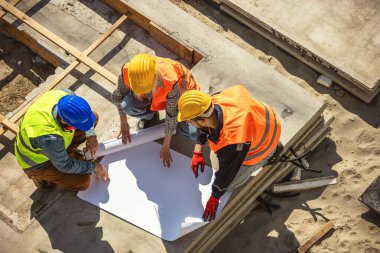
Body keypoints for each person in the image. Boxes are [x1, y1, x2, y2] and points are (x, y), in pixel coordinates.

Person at [177, 85, 282, 221]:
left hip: (265, 139)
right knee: (217, 155)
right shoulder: (214, 100)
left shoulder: (232, 140)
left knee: (230, 184)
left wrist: (215, 197)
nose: (189, 123)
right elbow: (203, 128)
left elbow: (227, 173)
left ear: (202, 121)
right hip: (260, 118)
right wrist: (198, 149)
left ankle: (271, 154)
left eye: (190, 121)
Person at [112, 53, 200, 167]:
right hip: (158, 98)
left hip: (183, 99)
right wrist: (123, 122)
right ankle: (149, 116)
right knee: (127, 106)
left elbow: (171, 115)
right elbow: (117, 96)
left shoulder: (170, 80)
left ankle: (182, 124)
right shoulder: (129, 71)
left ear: (155, 77)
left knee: (194, 133)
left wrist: (166, 145)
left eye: (145, 88)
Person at [14, 89, 110, 191]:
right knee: (83, 182)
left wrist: (91, 135)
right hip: (39, 163)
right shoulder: (49, 136)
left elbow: (84, 116)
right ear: (64, 120)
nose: (79, 128)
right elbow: (65, 165)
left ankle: (68, 153)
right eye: (75, 126)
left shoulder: (65, 95)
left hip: (51, 145)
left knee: (93, 116)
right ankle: (38, 177)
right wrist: (95, 166)